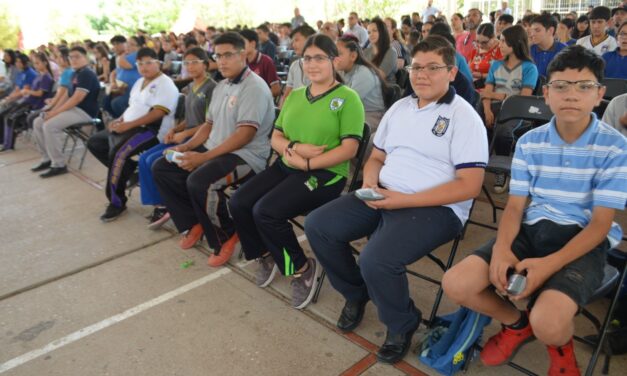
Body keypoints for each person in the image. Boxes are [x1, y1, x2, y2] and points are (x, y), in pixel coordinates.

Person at [442, 45, 626, 376]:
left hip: (584, 238)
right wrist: (501, 249)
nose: (571, 95)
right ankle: (516, 324)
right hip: (533, 227)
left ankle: (560, 349)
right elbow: (515, 207)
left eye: (583, 86)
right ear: (546, 93)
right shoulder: (529, 141)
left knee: (549, 322)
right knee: (456, 284)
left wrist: (546, 266)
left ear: (600, 94)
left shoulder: (615, 146)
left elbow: (600, 225)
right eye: (561, 86)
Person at [305, 35, 488, 365]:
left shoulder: (464, 117)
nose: (422, 74)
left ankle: (402, 323)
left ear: (451, 72)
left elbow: (470, 186)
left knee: (376, 259)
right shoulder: (400, 108)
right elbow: (375, 157)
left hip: (436, 208)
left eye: (433, 67)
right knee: (318, 225)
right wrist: (372, 181)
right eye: (417, 67)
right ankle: (355, 293)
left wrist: (403, 200)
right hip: (384, 192)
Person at [228, 34, 364, 309]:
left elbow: (349, 149)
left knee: (266, 211)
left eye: (319, 58)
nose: (312, 64)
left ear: (334, 61)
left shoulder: (348, 99)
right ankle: (264, 253)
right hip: (288, 164)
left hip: (326, 175)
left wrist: (309, 164)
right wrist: (295, 146)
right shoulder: (296, 95)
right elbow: (275, 137)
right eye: (307, 58)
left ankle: (301, 268)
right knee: (239, 201)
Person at [152, 32, 274, 267]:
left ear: (243, 54)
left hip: (246, 156)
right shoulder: (221, 86)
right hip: (216, 148)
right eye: (218, 56)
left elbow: (245, 134)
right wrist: (186, 146)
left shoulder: (254, 87)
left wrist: (203, 157)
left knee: (201, 181)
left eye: (228, 55)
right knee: (163, 168)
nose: (222, 61)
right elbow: (208, 125)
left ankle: (225, 235)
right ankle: (195, 220)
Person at [87, 47, 179, 221]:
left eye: (149, 63)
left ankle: (117, 202)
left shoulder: (165, 84)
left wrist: (128, 124)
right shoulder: (139, 82)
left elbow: (157, 113)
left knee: (118, 154)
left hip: (150, 130)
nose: (144, 67)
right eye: (140, 63)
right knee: (95, 142)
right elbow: (133, 107)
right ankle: (128, 170)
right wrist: (120, 120)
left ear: (157, 63)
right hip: (129, 126)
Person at [143, 48, 217, 230]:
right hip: (185, 135)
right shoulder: (191, 86)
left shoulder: (211, 87)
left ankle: (169, 205)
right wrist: (175, 129)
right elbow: (189, 118)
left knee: (156, 161)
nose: (190, 67)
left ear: (205, 64)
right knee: (145, 159)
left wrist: (184, 135)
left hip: (199, 139)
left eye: (195, 62)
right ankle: (161, 203)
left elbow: (211, 122)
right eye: (186, 63)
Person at [480, 25, 539, 193]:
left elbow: (523, 98)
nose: (500, 44)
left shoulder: (529, 68)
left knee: (504, 130)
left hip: (518, 111)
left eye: (504, 41)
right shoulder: (496, 65)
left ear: (516, 43)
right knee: (474, 123)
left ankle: (502, 170)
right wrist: (487, 110)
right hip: (492, 108)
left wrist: (496, 95)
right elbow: (485, 92)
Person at [31, 47, 100, 178]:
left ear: (85, 57)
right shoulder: (76, 73)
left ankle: (59, 164)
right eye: (71, 57)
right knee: (38, 122)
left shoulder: (87, 73)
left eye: (77, 56)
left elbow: (77, 98)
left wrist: (55, 113)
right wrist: (51, 109)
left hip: (84, 112)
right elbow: (67, 96)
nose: (73, 59)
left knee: (49, 125)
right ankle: (47, 159)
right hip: (73, 109)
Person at [1, 52, 54, 151]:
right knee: (7, 116)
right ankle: (6, 142)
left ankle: (8, 144)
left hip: (35, 104)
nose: (36, 66)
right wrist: (26, 91)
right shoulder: (39, 75)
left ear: (45, 63)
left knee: (10, 118)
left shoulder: (46, 77)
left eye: (38, 63)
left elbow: (39, 93)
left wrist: (27, 91)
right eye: (35, 64)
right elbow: (28, 89)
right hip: (27, 101)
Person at [334, 35, 388, 128]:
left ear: (353, 56)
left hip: (371, 116)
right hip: (354, 112)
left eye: (339, 54)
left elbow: (345, 102)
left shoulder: (363, 73)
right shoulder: (341, 71)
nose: (334, 58)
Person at [0, 53, 36, 146]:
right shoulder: (21, 72)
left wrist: (9, 99)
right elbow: (17, 88)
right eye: (17, 61)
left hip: (26, 100)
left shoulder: (30, 73)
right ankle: (3, 139)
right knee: (2, 112)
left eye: (19, 62)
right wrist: (8, 97)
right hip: (18, 99)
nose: (17, 64)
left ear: (25, 63)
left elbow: (23, 91)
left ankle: (6, 142)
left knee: (5, 115)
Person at [279, 24, 317, 106]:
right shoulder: (295, 65)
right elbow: (287, 95)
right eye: (292, 41)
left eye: (296, 40)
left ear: (310, 40)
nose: (293, 45)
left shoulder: (322, 66)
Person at [105, 35, 141, 118]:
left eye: (131, 44)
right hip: (121, 89)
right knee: (106, 100)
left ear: (138, 47)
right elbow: (113, 73)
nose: (128, 46)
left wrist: (123, 54)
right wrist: (113, 82)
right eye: (127, 44)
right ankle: (118, 120)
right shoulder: (125, 56)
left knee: (117, 103)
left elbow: (123, 64)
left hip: (132, 90)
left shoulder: (137, 55)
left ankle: (130, 121)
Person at [239, 29, 281, 97]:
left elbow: (276, 90)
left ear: (252, 43)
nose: (239, 47)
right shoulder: (241, 62)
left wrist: (259, 97)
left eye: (242, 43)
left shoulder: (266, 61)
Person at [530, 14, 567, 78]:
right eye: (532, 30)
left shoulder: (565, 52)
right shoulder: (528, 51)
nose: (532, 34)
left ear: (550, 30)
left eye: (537, 30)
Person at [468, 23, 502, 89]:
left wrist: (482, 75)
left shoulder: (501, 50)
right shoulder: (476, 49)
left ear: (493, 37)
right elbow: (469, 66)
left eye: (484, 42)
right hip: (473, 86)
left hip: (491, 88)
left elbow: (502, 74)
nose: (480, 45)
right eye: (477, 41)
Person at [364, 17, 398, 83]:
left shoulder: (391, 52)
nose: (371, 34)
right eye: (369, 32)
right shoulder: (366, 51)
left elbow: (380, 76)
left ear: (382, 32)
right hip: (367, 86)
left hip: (385, 89)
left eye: (374, 31)